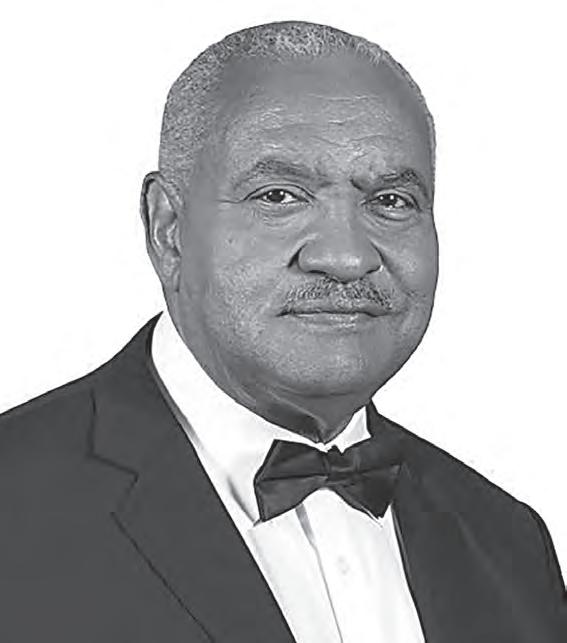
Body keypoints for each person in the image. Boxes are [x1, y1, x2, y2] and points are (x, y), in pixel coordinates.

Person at [0, 20, 564, 643]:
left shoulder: (509, 544)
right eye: (278, 196)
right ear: (168, 229)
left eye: (391, 201)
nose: (346, 257)